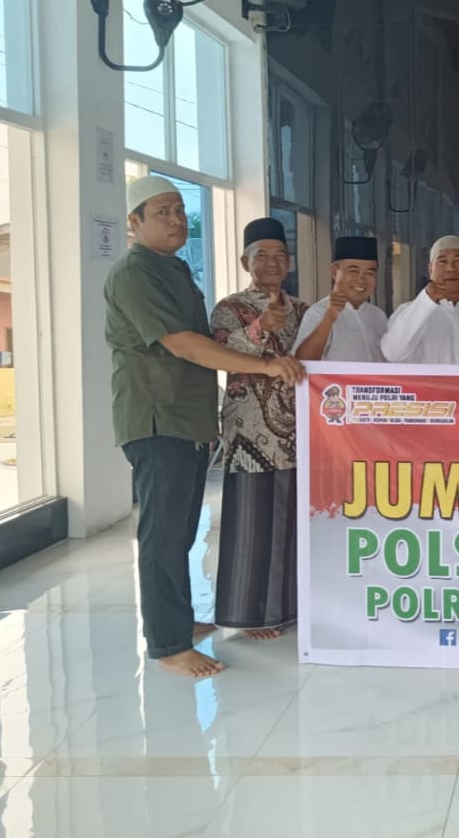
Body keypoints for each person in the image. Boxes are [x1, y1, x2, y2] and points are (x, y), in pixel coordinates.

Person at [105, 177, 305, 678]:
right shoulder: (134, 274)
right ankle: (168, 644)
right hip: (157, 417)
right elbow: (183, 344)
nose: (177, 220)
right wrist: (264, 365)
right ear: (134, 221)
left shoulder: (173, 269)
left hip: (188, 420)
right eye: (163, 212)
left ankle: (178, 620)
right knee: (163, 533)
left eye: (179, 210)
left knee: (181, 530)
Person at [209, 218, 308, 642]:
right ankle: (248, 616)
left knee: (291, 524)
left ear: (289, 262)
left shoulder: (303, 309)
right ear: (244, 261)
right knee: (250, 525)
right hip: (249, 432)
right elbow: (220, 353)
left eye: (279, 255)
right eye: (261, 255)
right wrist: (260, 327)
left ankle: (289, 606)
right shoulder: (229, 308)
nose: (271, 262)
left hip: (298, 433)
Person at [381, 235, 459, 364]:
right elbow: (392, 353)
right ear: (430, 270)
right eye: (442, 261)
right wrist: (426, 301)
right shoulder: (408, 312)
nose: (450, 268)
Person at [293, 236, 387, 362]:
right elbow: (303, 362)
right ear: (334, 271)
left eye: (369, 273)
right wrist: (328, 319)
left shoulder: (378, 316)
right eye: (353, 271)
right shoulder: (319, 312)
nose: (361, 280)